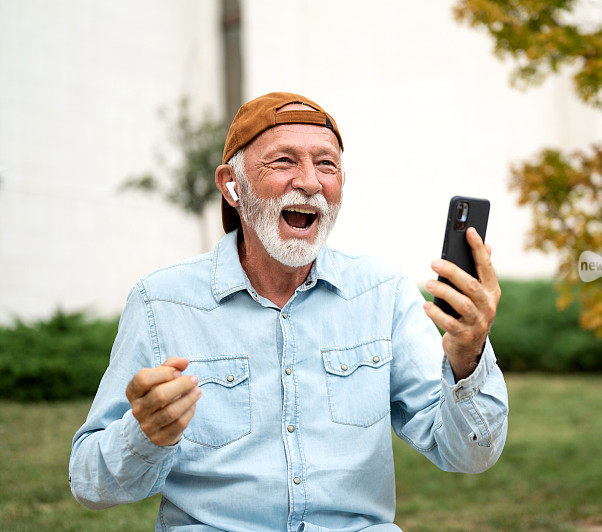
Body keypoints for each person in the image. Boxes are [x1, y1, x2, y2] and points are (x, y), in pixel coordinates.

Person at [69, 92, 509, 531]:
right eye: (284, 161)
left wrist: (467, 356)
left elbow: (468, 454)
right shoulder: (160, 302)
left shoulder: (384, 293)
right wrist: (144, 434)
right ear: (232, 185)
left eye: (327, 164)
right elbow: (90, 483)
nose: (311, 182)